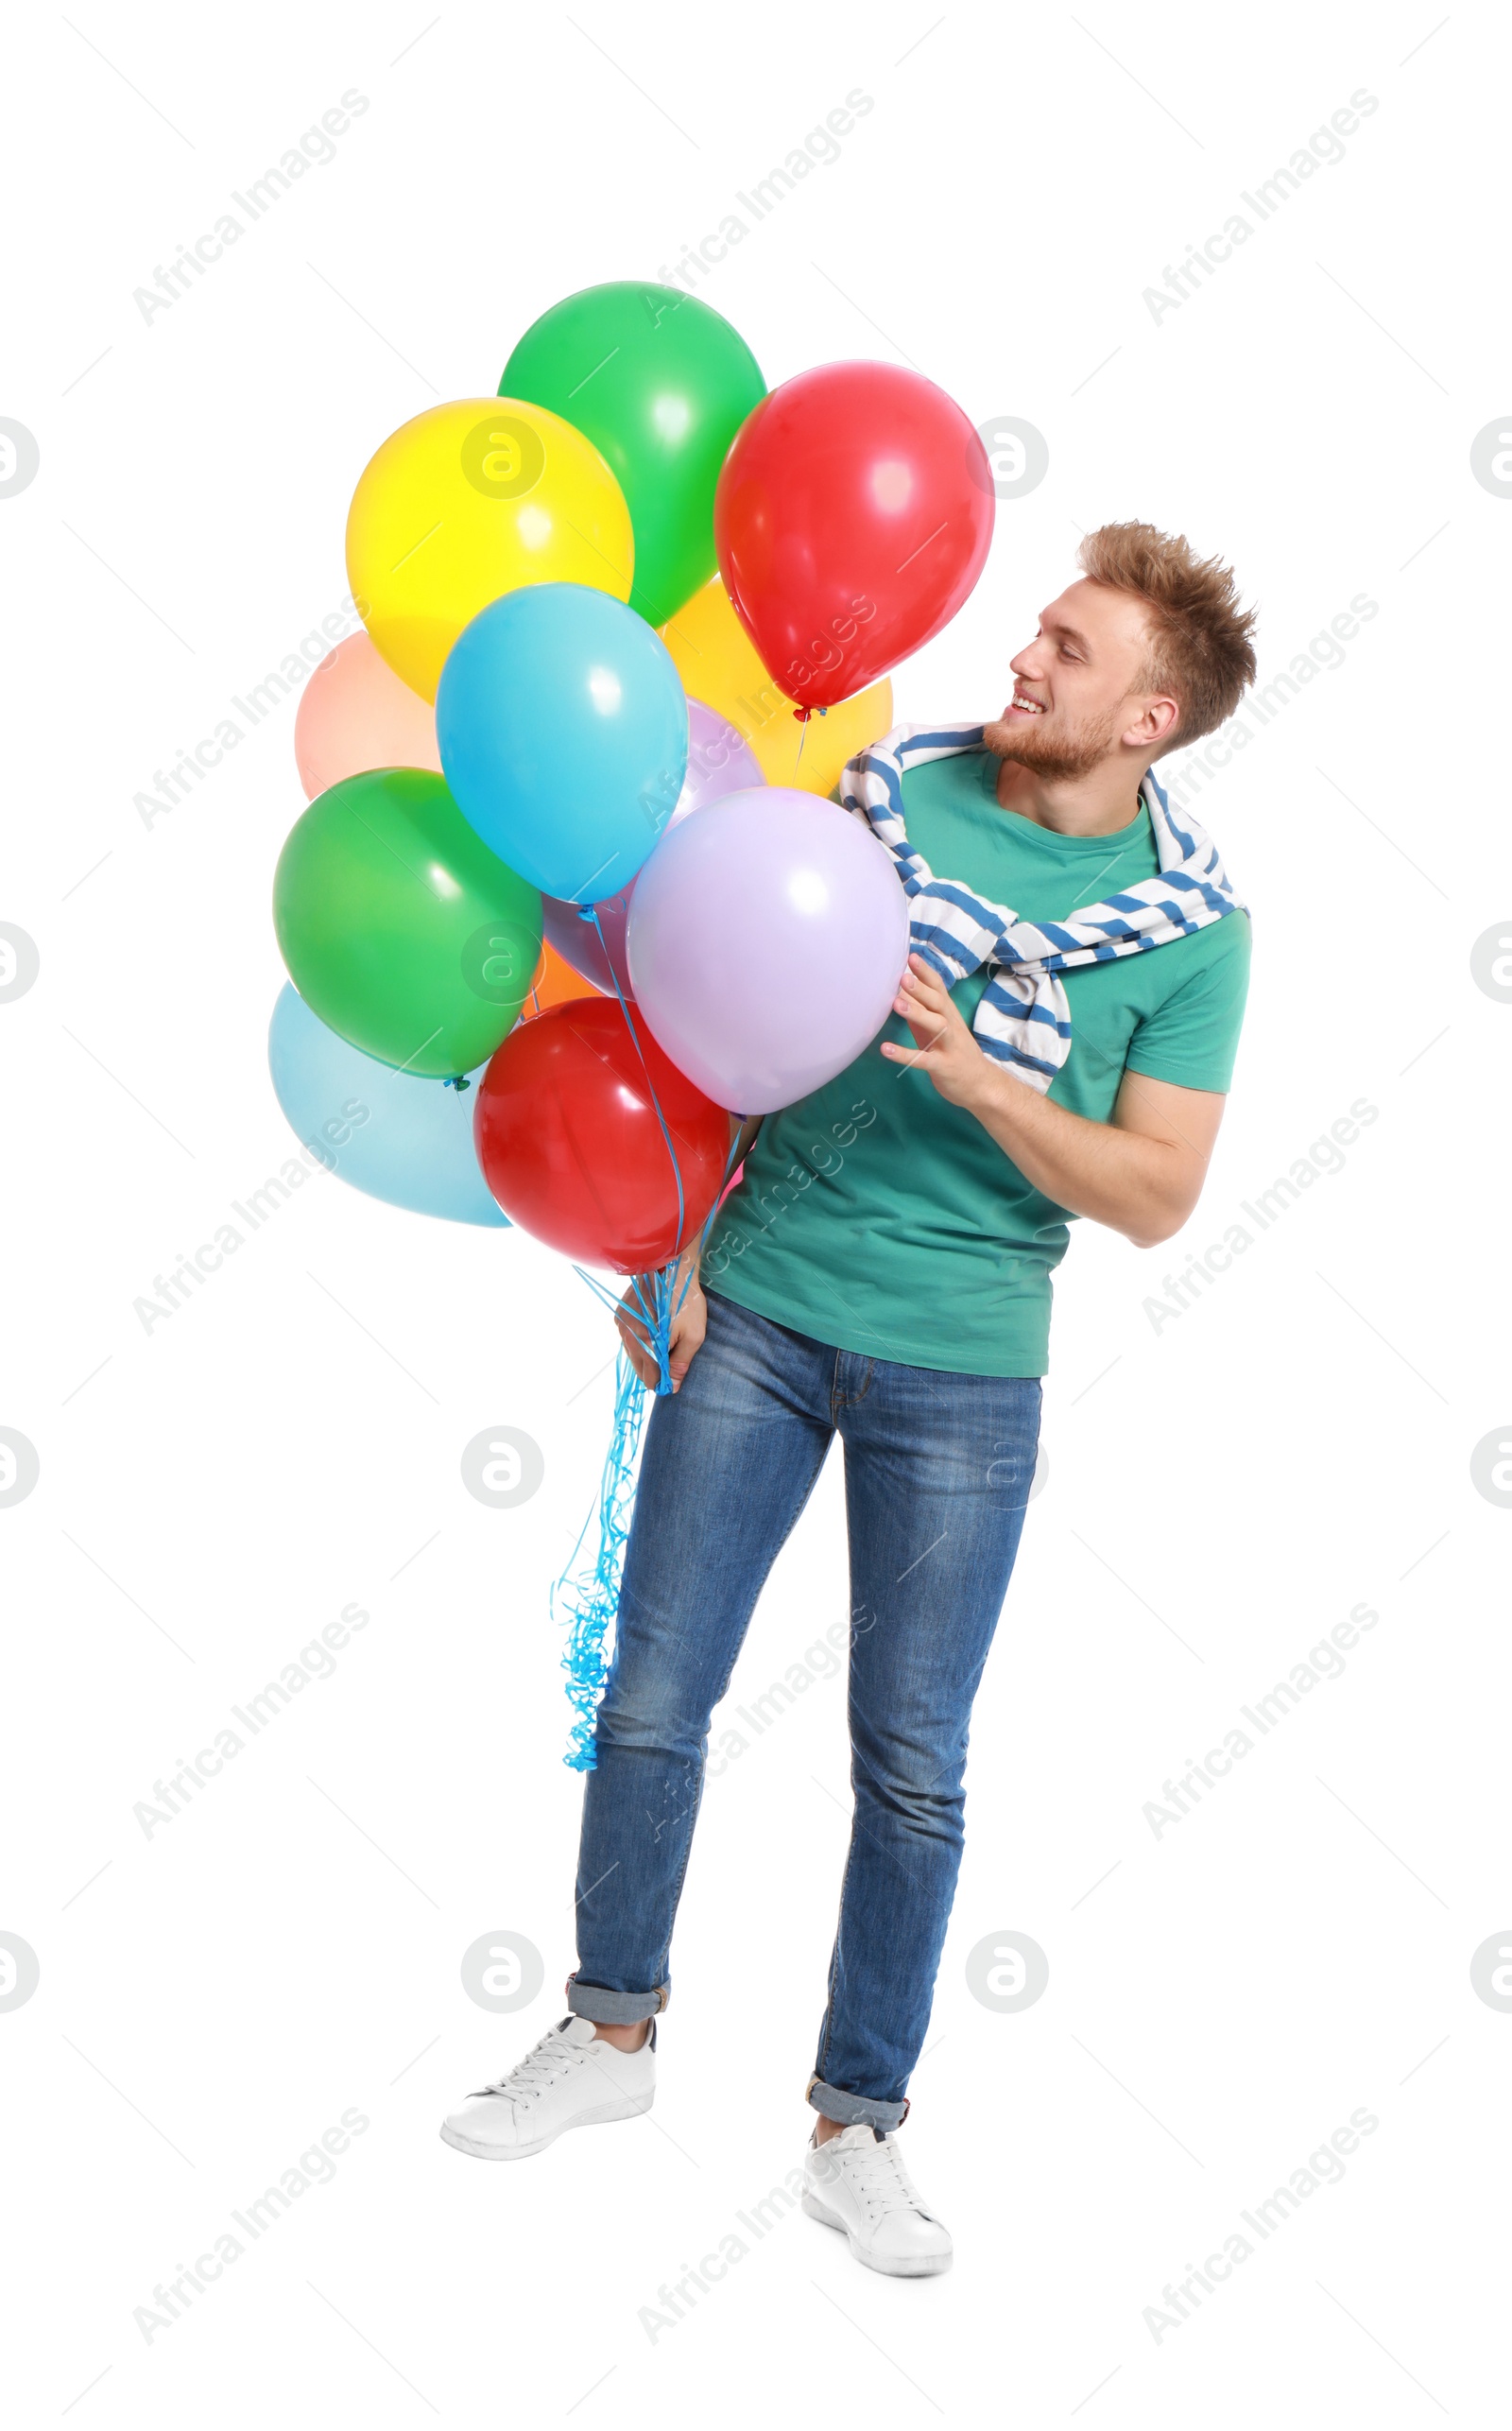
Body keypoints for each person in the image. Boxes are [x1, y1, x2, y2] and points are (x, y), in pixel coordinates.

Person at [441, 522, 1257, 2279]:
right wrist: (664, 1226)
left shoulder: (1191, 935)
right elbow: (723, 979)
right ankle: (607, 2033)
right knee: (657, 1687)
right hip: (759, 1306)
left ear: (1151, 716)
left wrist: (978, 1080)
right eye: (1034, 628)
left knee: (911, 1760)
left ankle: (857, 2128)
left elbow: (1155, 1194)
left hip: (965, 1369)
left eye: (1066, 646)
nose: (1022, 658)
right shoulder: (879, 793)